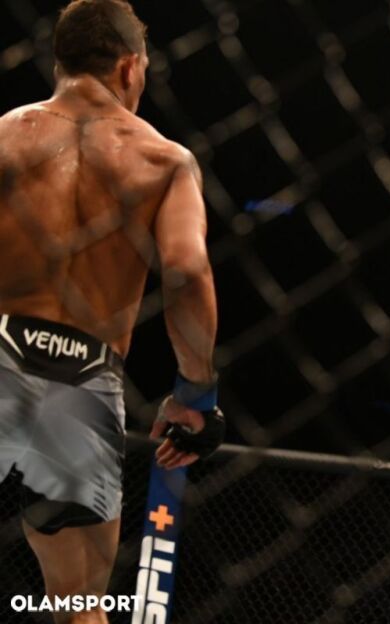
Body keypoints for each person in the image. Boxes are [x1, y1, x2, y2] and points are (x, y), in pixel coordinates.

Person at [0, 1, 223, 622]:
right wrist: (195, 394)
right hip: (80, 379)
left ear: (58, 61)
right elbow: (187, 270)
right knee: (77, 605)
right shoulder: (163, 160)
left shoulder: (5, 136)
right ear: (129, 67)